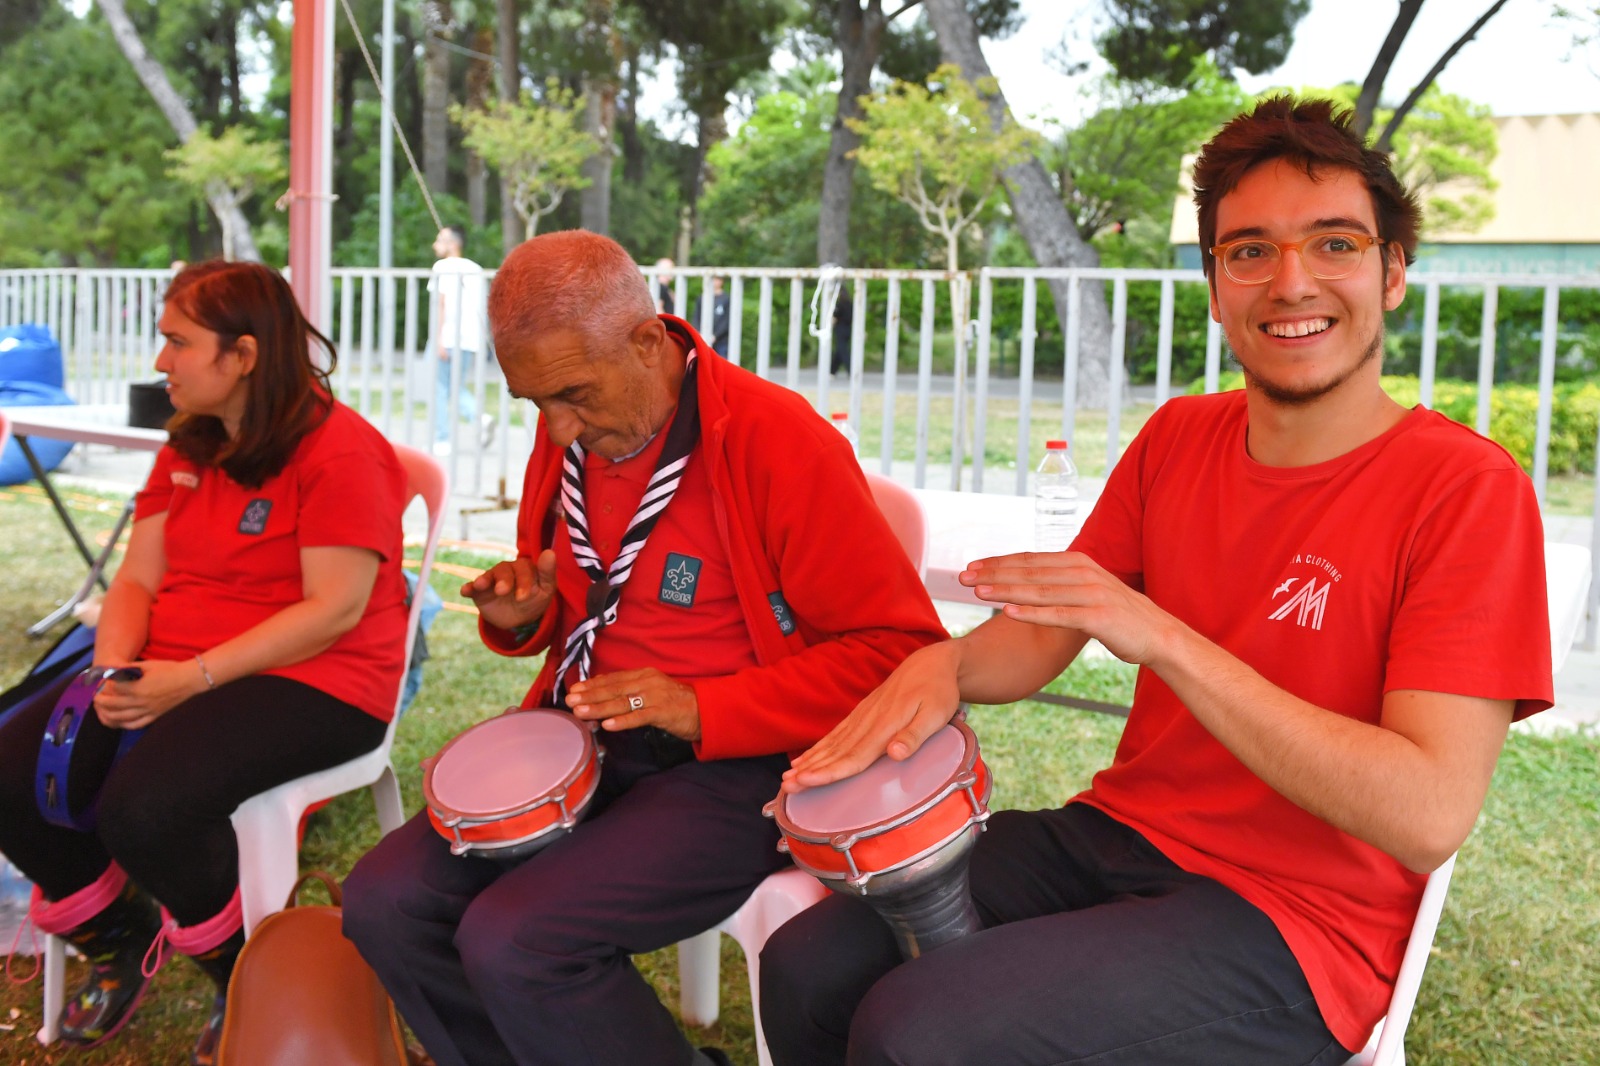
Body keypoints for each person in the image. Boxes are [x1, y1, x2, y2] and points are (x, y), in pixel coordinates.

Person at [760, 96, 1554, 1066]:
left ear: (1391, 273)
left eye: (1334, 244)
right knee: (807, 965)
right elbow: (1047, 630)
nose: (1290, 281)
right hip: (1118, 835)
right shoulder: (1180, 437)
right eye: (1249, 250)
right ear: (1216, 285)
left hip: (1299, 919)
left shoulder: (1465, 487)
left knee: (916, 1027)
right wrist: (942, 669)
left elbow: (1426, 816)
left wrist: (1166, 637)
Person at [342, 229, 946, 1066]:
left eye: (573, 396)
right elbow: (587, 612)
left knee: (517, 938)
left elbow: (898, 651)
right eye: (534, 404)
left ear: (646, 340)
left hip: (742, 766)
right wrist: (526, 616)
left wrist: (705, 706)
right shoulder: (577, 436)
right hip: (591, 739)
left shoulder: (777, 440)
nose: (556, 430)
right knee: (384, 901)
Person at [0, 261, 409, 1064]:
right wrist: (111, 668)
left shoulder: (341, 451)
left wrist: (189, 679)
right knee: (9, 771)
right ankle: (115, 934)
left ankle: (237, 974)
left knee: (148, 807)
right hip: (176, 665)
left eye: (178, 342)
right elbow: (139, 578)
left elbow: (334, 609)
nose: (161, 361)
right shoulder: (192, 441)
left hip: (318, 679)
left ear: (245, 354)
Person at [429, 225, 495, 456]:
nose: (434, 245)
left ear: (452, 244)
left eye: (439, 240)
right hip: (469, 338)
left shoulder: (442, 267)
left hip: (447, 336)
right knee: (456, 386)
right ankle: (480, 418)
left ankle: (442, 438)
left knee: (439, 388)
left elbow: (441, 304)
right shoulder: (475, 268)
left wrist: (437, 339)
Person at [691, 275, 732, 356]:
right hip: (703, 340)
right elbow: (696, 317)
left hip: (721, 341)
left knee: (721, 366)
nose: (714, 282)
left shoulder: (726, 299)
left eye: (717, 279)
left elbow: (727, 321)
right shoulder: (702, 298)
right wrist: (700, 334)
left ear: (721, 281)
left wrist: (715, 336)